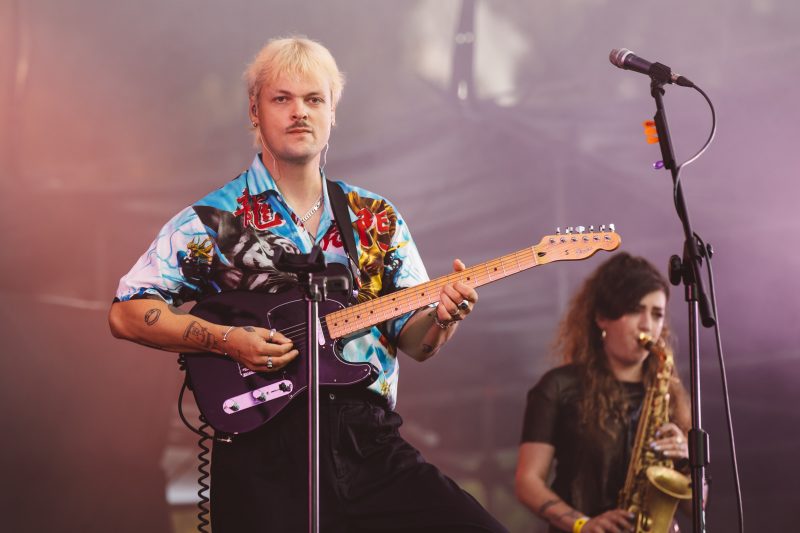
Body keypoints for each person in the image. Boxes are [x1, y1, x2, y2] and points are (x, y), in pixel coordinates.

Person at [108, 36, 507, 533]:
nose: (300, 112)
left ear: (332, 112)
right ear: (254, 111)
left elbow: (416, 342)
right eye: (283, 98)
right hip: (260, 448)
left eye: (314, 99)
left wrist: (444, 317)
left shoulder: (374, 217)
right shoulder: (212, 220)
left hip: (366, 443)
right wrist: (226, 340)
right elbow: (126, 312)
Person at [515, 252, 696, 533]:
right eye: (635, 310)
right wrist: (581, 523)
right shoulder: (558, 386)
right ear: (602, 317)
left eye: (657, 314)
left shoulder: (668, 394)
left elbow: (697, 506)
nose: (647, 325)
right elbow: (527, 482)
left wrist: (685, 461)